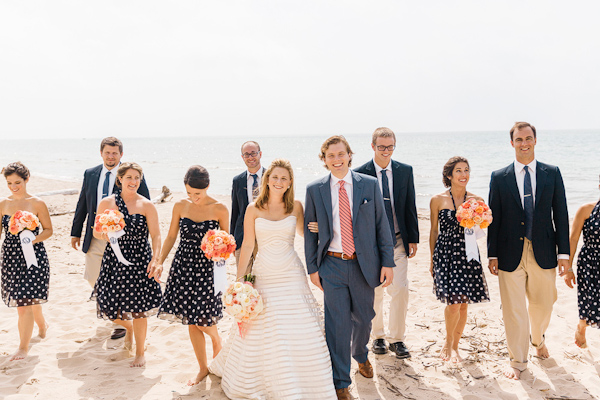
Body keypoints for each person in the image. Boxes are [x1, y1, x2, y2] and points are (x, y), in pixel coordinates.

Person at [210, 159, 336, 400]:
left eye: (284, 179)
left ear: (290, 183)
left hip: (291, 273)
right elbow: (247, 244)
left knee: (299, 323)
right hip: (264, 273)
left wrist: (318, 228)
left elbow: (303, 232)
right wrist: (239, 280)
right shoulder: (253, 208)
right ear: (267, 180)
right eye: (275, 177)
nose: (279, 182)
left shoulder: (296, 207)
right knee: (264, 322)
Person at [304, 136, 395, 400]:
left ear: (349, 155)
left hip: (364, 265)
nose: (336, 159)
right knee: (337, 324)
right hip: (331, 264)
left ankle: (360, 354)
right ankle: (341, 382)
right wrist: (313, 267)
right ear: (324, 159)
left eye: (341, 154)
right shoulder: (314, 189)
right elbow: (310, 232)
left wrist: (388, 262)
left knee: (364, 318)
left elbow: (382, 226)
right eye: (330, 155)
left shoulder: (369, 185)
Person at [488, 122, 570, 380]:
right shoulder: (498, 177)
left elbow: (562, 215)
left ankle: (538, 338)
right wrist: (492, 254)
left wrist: (564, 254)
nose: (524, 143)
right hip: (509, 252)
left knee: (544, 304)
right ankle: (518, 360)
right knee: (514, 310)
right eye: (519, 139)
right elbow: (495, 217)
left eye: (528, 138)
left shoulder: (552, 172)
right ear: (511, 143)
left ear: (535, 140)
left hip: (544, 249)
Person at [70, 137, 150, 340]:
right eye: (107, 152)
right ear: (101, 153)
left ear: (121, 155)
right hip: (96, 235)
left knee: (120, 282)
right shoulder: (90, 174)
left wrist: (141, 239)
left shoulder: (131, 175)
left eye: (115, 153)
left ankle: (121, 322)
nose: (111, 156)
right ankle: (120, 317)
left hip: (124, 239)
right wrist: (75, 231)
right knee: (91, 277)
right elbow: (83, 203)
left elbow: (145, 205)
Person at [157, 166, 228, 386]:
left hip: (208, 269)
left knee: (205, 320)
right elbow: (170, 236)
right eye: (189, 193)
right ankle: (202, 368)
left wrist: (222, 260)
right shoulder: (180, 205)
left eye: (197, 193)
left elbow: (228, 243)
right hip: (183, 267)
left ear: (207, 186)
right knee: (190, 319)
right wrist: (159, 261)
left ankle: (217, 342)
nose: (193, 198)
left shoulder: (220, 209)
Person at [354, 127, 419, 359]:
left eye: (390, 147)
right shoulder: (359, 174)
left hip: (399, 240)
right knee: (375, 292)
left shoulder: (405, 171)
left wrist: (414, 238)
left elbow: (410, 205)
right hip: (370, 245)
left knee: (400, 289)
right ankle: (378, 336)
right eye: (381, 147)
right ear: (373, 146)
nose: (386, 151)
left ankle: (397, 339)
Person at [92, 162, 162, 368]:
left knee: (139, 309)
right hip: (114, 259)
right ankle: (129, 328)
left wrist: (156, 259)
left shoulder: (147, 205)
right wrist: (103, 233)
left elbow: (156, 235)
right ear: (120, 179)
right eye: (129, 177)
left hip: (140, 260)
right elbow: (96, 231)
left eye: (137, 178)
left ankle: (140, 352)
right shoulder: (107, 203)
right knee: (109, 306)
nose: (133, 182)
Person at [429, 157, 489, 363]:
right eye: (459, 171)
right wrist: (431, 259)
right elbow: (434, 231)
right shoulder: (437, 200)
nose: (464, 175)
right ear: (449, 175)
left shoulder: (476, 200)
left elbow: (481, 228)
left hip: (468, 254)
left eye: (466, 170)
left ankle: (455, 345)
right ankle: (447, 342)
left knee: (464, 304)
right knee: (453, 303)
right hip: (446, 254)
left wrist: (482, 218)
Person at [0, 162, 52, 361]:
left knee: (25, 303)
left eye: (18, 182)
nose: (14, 186)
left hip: (34, 258)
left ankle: (23, 348)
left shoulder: (37, 203)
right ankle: (42, 325)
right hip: (11, 258)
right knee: (28, 300)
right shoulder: (3, 204)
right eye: (9, 183)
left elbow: (48, 230)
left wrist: (31, 239)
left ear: (27, 179)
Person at [564, 175, 600, 348]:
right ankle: (581, 327)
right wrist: (569, 268)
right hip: (589, 264)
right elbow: (573, 239)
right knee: (588, 301)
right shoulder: (586, 210)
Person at [230, 141, 264, 267]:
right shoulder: (238, 180)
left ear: (260, 154)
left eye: (253, 153)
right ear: (242, 157)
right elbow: (235, 211)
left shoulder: (271, 176)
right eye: (246, 154)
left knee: (263, 278)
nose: (250, 157)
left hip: (264, 236)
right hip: (242, 237)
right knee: (243, 279)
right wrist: (232, 240)